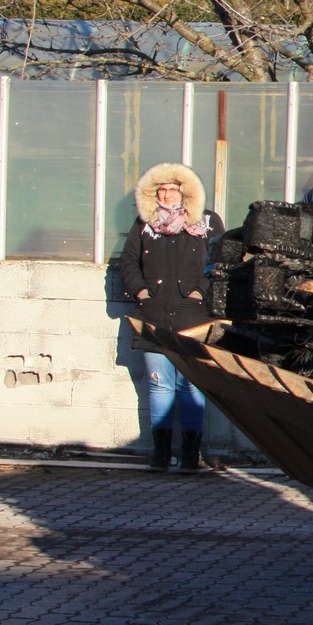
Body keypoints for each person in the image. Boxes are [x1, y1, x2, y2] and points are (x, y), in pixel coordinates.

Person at [119, 162, 221, 474]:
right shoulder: (144, 224)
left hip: (193, 317)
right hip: (154, 315)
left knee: (191, 385)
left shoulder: (207, 223)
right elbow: (128, 261)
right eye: (161, 189)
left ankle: (191, 455)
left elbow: (221, 262)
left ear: (186, 191)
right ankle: (160, 454)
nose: (167, 195)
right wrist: (142, 292)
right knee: (159, 385)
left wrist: (200, 292)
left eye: (173, 189)